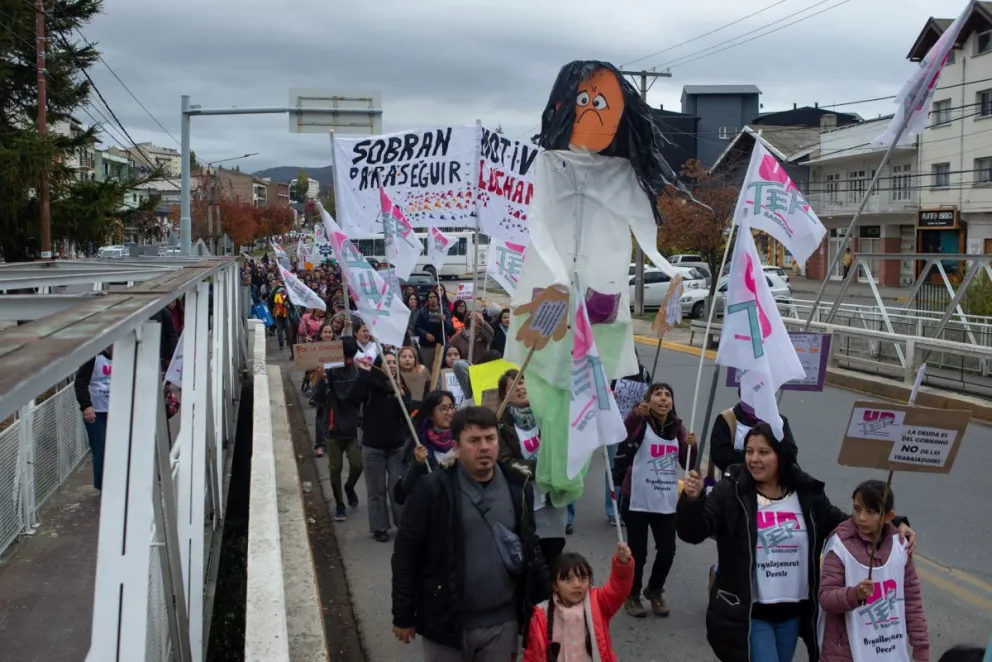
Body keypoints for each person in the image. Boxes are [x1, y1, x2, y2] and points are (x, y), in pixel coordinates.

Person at [678, 422, 917, 662]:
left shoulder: (806, 494)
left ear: (781, 455)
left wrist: (896, 524)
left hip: (791, 614)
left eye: (763, 452)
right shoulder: (731, 492)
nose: (754, 459)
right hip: (751, 613)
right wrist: (693, 500)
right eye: (749, 451)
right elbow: (693, 532)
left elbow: (849, 524)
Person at [391, 407, 549, 661]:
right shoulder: (432, 490)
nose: (484, 447)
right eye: (474, 441)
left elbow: (530, 547)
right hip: (446, 624)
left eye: (490, 438)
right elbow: (405, 554)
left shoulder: (518, 487)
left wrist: (545, 602)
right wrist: (403, 613)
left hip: (503, 624)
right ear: (456, 446)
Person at [818, 480, 929, 662]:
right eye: (857, 509)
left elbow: (912, 601)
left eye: (870, 512)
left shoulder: (900, 547)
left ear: (888, 516)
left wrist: (921, 648)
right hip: (845, 652)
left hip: (887, 649)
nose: (861, 517)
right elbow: (826, 598)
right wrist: (855, 594)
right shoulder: (840, 545)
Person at [611, 383, 696, 619]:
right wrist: (635, 415)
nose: (663, 398)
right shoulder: (640, 421)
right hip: (637, 498)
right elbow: (624, 435)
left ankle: (654, 590)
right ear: (649, 399)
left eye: (668, 394)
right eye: (658, 394)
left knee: (668, 550)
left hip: (665, 500)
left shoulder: (676, 427)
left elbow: (687, 463)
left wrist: (691, 445)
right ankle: (633, 593)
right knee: (638, 552)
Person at [497, 370, 567, 569]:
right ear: (505, 396)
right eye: (513, 385)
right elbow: (505, 461)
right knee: (529, 559)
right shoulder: (500, 425)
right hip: (523, 502)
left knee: (553, 553)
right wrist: (543, 470)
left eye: (522, 383)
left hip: (551, 500)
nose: (520, 388)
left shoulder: (547, 416)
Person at [523, 543, 634, 662]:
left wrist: (622, 565)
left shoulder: (597, 603)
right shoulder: (541, 615)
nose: (577, 585)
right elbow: (533, 656)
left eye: (583, 578)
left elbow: (617, 589)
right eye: (567, 579)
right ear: (555, 585)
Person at [355, 351, 411, 543]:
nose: (392, 365)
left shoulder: (401, 386)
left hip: (396, 448)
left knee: (397, 487)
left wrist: (402, 398)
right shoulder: (371, 386)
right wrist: (364, 374)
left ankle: (403, 524)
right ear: (380, 365)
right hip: (373, 447)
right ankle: (379, 527)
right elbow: (354, 397)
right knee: (376, 490)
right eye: (387, 362)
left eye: (394, 362)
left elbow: (408, 416)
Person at [314, 336, 364, 521]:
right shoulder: (327, 371)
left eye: (351, 356)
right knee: (335, 469)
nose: (348, 360)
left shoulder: (358, 370)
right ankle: (339, 504)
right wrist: (320, 380)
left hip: (353, 429)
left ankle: (349, 487)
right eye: (345, 356)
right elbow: (318, 398)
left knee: (358, 465)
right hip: (333, 430)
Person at [395, 390, 457, 505]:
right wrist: (417, 463)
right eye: (443, 408)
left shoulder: (462, 439)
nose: (450, 412)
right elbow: (406, 488)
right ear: (430, 415)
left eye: (452, 407)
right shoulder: (417, 444)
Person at [74, 347, 113, 491]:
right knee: (100, 447)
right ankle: (103, 485)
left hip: (118, 410)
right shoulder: (94, 358)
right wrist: (86, 406)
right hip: (97, 412)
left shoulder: (126, 357)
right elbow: (80, 383)